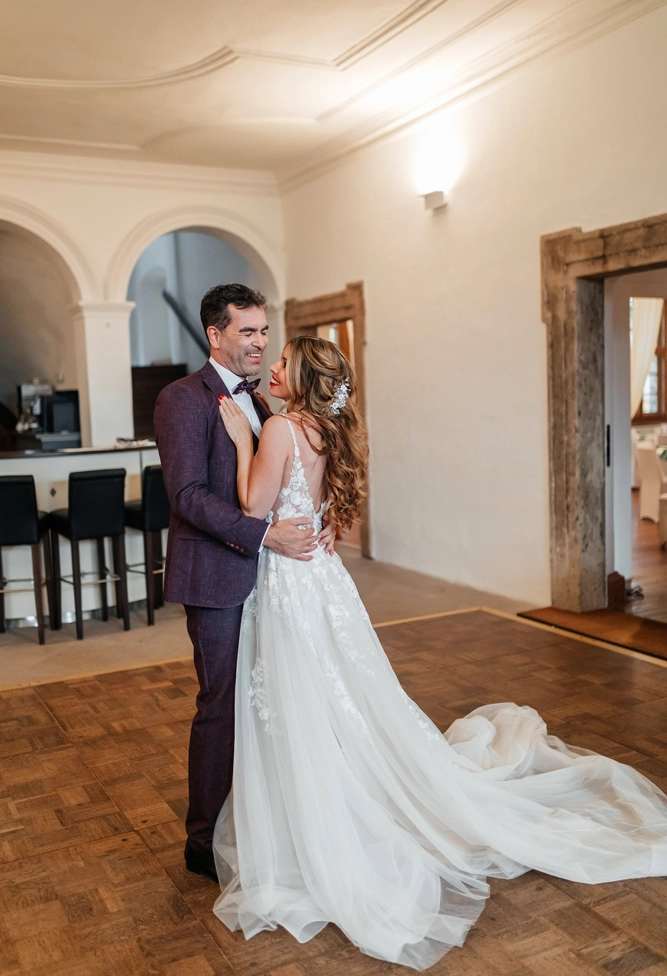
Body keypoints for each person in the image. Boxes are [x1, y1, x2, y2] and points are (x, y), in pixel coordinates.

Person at [211, 333, 667, 971]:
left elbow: (253, 506)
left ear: (301, 376)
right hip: (322, 580)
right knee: (338, 692)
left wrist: (240, 442)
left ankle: (321, 813)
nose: (274, 367)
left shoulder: (281, 429)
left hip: (290, 581)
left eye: (283, 360)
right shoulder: (328, 430)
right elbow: (321, 513)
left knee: (304, 695)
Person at [154, 284, 335, 884]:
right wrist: (264, 538)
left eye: (264, 332)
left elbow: (284, 481)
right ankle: (202, 841)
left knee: (270, 701)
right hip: (216, 577)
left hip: (274, 582)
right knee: (222, 703)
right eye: (248, 332)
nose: (259, 343)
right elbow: (187, 498)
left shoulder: (265, 405)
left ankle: (261, 818)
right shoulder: (182, 399)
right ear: (216, 334)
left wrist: (319, 519)